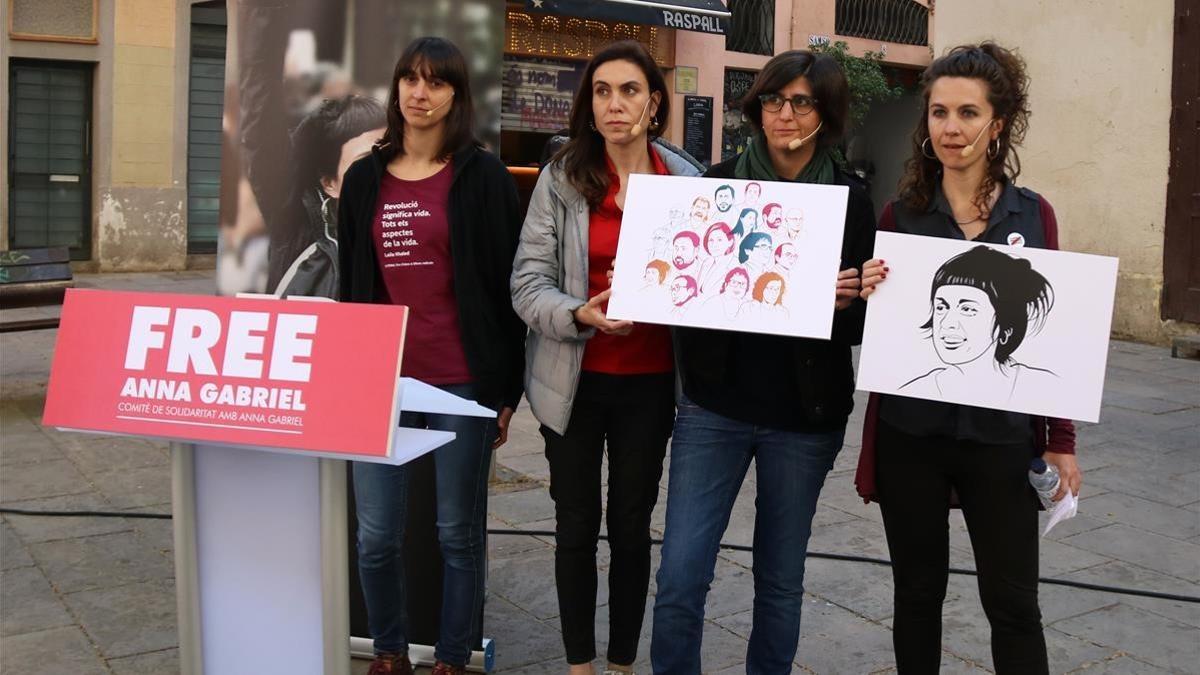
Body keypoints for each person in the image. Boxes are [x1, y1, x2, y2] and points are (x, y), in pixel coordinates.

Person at [856, 43, 1080, 675]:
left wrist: (1060, 439)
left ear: (997, 123)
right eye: (938, 112)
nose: (950, 128)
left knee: (1012, 604)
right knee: (917, 596)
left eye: (967, 113)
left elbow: (1057, 335)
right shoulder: (903, 214)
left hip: (1001, 440)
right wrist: (870, 290)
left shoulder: (1034, 215)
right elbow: (891, 331)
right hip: (912, 435)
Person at [651, 49, 875, 672]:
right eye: (774, 100)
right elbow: (684, 297)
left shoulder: (852, 201)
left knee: (779, 579)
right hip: (714, 405)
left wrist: (837, 300)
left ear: (824, 114)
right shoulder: (715, 185)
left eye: (801, 102)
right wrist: (658, 275)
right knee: (680, 574)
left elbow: (861, 321)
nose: (784, 113)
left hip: (805, 418)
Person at [510, 39, 704, 675]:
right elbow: (526, 282)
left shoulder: (689, 183)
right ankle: (579, 664)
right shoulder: (561, 178)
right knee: (574, 523)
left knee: (630, 523)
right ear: (588, 106)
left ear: (654, 103)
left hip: (650, 384)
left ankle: (621, 661)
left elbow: (707, 284)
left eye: (629, 90)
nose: (615, 104)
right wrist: (578, 313)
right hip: (573, 380)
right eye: (602, 91)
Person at [336, 37, 526, 675]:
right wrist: (345, 375)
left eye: (435, 82)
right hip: (381, 381)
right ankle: (388, 651)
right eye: (409, 79)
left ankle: (451, 657)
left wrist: (505, 392)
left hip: (460, 383)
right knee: (375, 535)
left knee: (456, 534)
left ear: (455, 95)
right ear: (395, 88)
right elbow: (350, 284)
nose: (420, 93)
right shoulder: (364, 177)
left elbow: (505, 290)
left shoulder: (483, 176)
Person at [900, 245, 1057, 404]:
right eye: (941, 307)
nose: (948, 323)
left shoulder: (1041, 384)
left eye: (967, 309)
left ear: (1006, 328)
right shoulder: (916, 388)